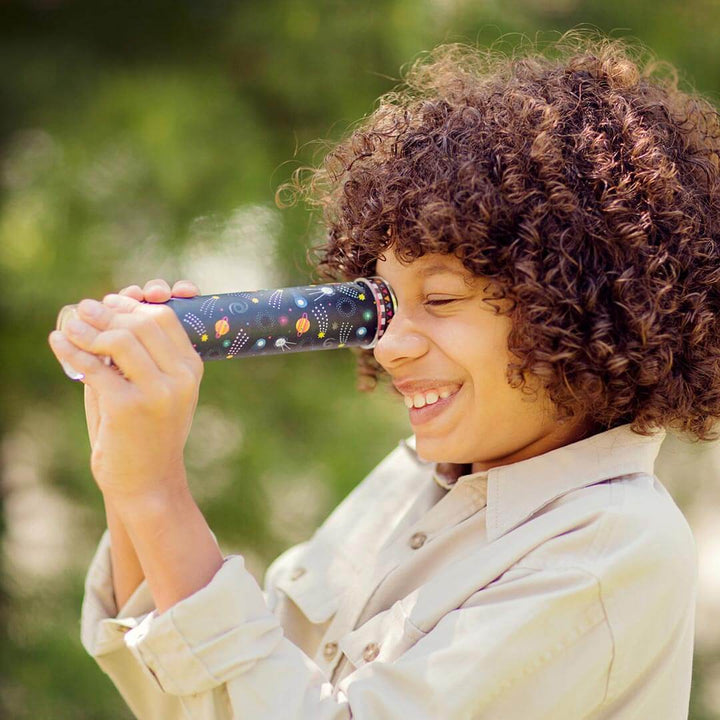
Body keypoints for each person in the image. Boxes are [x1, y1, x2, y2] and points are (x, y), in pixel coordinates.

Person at [47, 29, 720, 719]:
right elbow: (189, 696)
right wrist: (129, 475)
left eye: (442, 299)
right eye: (387, 301)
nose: (391, 345)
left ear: (581, 307)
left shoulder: (613, 546)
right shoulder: (415, 480)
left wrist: (160, 492)